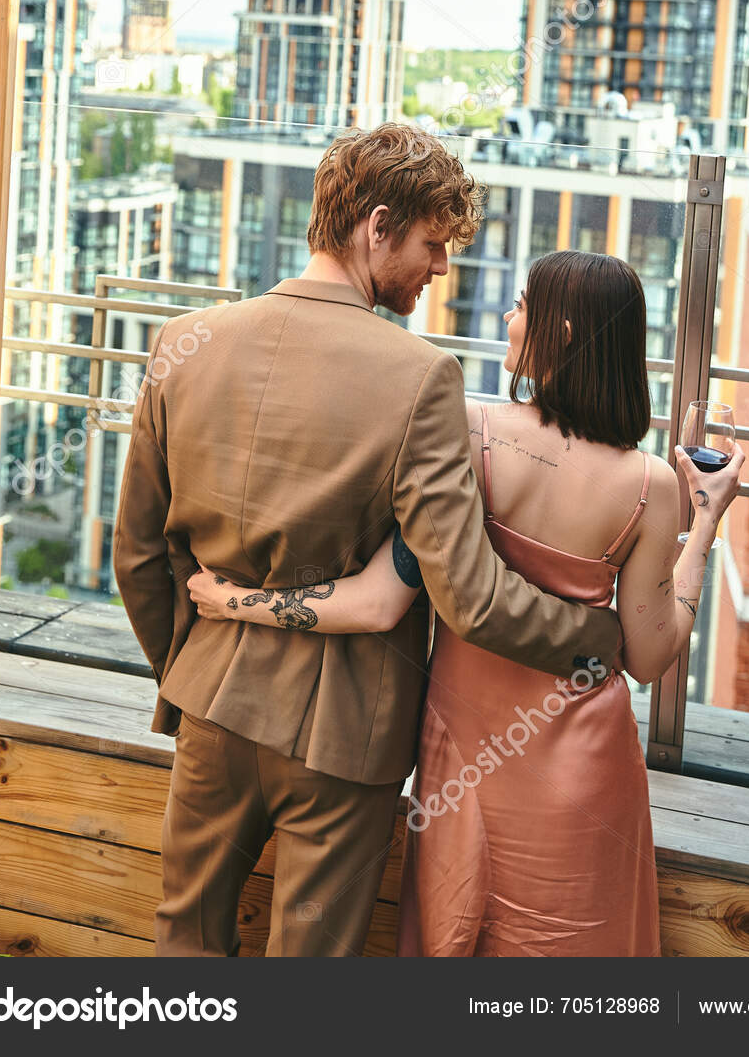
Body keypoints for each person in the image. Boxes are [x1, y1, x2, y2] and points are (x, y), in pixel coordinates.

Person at [113, 126, 623, 959]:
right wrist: (601, 639)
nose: (441, 269)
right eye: (431, 244)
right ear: (376, 226)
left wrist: (190, 663)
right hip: (342, 734)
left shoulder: (183, 341)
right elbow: (471, 594)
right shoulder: (421, 376)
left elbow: (139, 552)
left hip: (208, 697)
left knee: (186, 942)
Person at [191, 248, 743, 956]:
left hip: (463, 758)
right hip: (584, 765)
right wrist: (704, 526)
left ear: (562, 333)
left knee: (454, 935)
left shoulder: (466, 433)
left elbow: (379, 598)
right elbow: (649, 654)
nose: (509, 318)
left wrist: (236, 602)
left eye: (521, 306)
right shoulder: (648, 484)